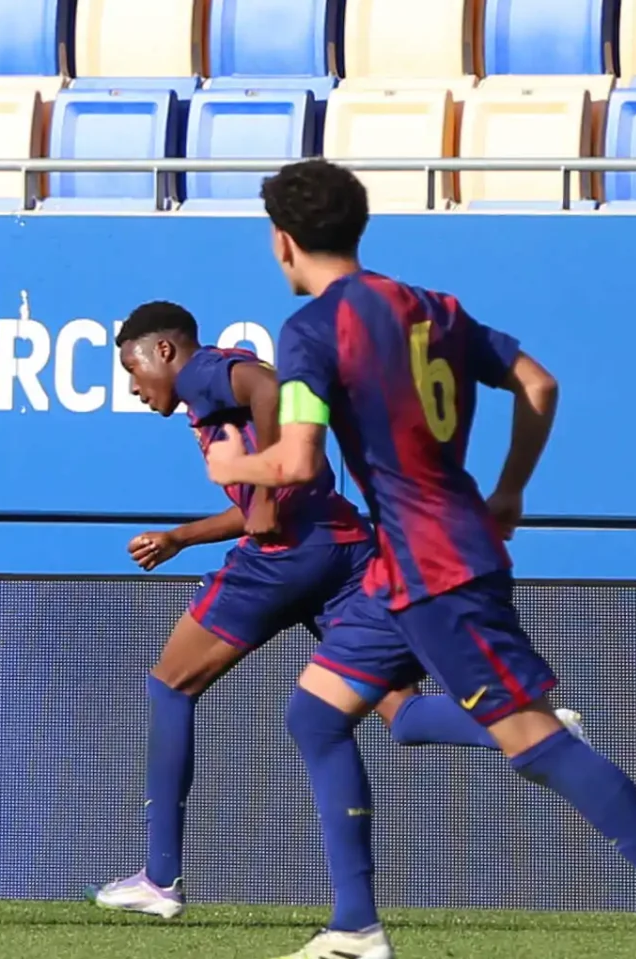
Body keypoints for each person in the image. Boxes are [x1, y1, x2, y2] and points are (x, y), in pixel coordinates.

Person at [205, 158, 636, 959]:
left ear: (282, 241)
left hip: (434, 568)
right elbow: (538, 380)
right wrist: (511, 489)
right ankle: (355, 927)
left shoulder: (312, 330)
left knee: (527, 743)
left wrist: (238, 463)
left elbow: (300, 461)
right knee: (315, 711)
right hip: (409, 562)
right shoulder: (433, 308)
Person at [94, 301, 548, 921]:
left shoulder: (203, 372)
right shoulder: (214, 405)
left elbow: (270, 392)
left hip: (285, 558)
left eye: (133, 367)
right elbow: (282, 497)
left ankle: (161, 878)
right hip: (343, 547)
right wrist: (184, 535)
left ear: (165, 352)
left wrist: (257, 496)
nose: (133, 385)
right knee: (403, 712)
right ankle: (537, 730)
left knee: (169, 686)